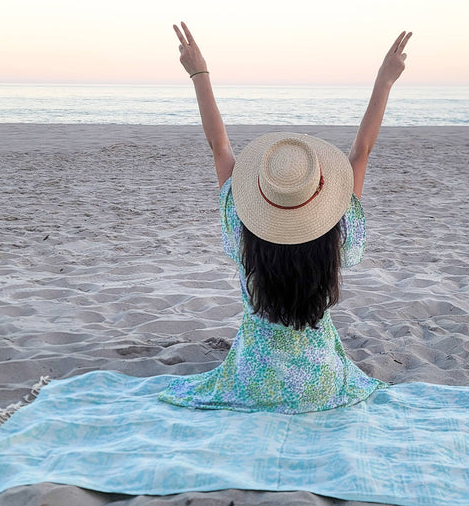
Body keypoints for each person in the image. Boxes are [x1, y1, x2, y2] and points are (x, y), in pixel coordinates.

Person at [165, 22, 412, 414]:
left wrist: (199, 73)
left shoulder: (242, 224)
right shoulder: (336, 228)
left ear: (263, 192)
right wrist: (385, 80)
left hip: (254, 377)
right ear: (319, 192)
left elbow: (219, 146)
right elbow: (361, 151)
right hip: (320, 380)